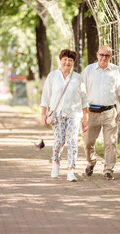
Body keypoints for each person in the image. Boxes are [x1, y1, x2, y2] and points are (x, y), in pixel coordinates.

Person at [81, 45, 120, 180]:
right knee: (88, 142)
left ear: (111, 57)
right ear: (97, 55)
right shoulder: (88, 70)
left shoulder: (116, 71)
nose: (103, 58)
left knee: (110, 143)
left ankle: (108, 169)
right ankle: (91, 162)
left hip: (109, 112)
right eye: (101, 55)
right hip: (91, 113)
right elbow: (81, 93)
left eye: (107, 55)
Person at [40, 49, 88, 182]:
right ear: (60, 60)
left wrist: (86, 118)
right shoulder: (52, 76)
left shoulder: (78, 78)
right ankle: (56, 163)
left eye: (70, 60)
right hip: (58, 114)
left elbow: (84, 99)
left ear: (73, 62)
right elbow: (45, 97)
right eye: (65, 59)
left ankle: (71, 170)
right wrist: (43, 114)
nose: (67, 62)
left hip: (74, 113)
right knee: (59, 141)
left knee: (72, 141)